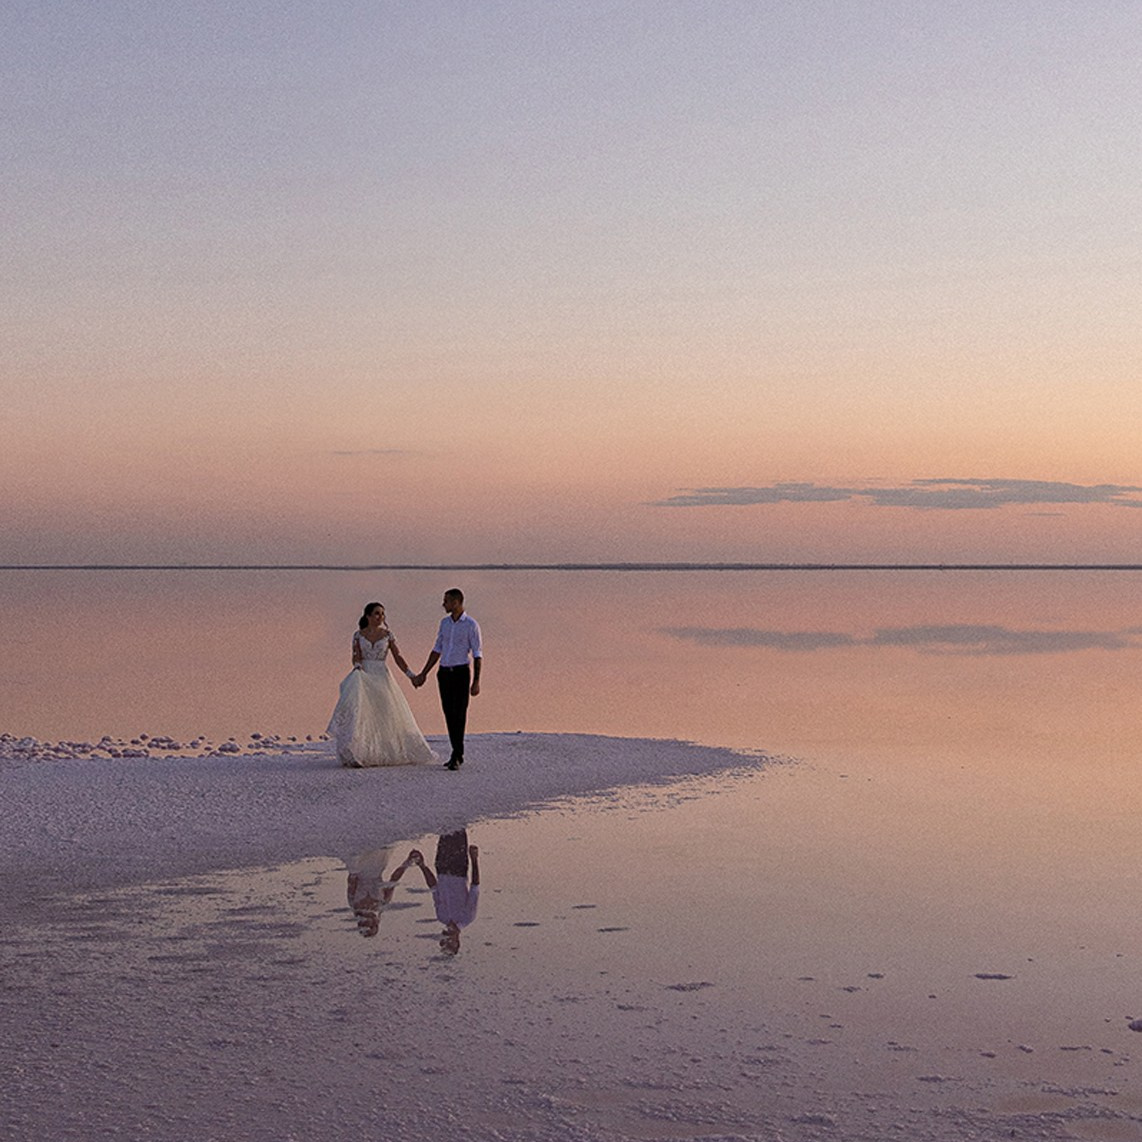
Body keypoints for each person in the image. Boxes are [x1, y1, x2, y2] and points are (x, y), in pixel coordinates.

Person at [326, 602, 436, 767]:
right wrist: (357, 667)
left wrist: (411, 675)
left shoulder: (388, 635)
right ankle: (358, 753)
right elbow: (356, 655)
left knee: (385, 714)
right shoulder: (358, 635)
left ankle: (383, 752)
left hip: (382, 677)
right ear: (368, 616)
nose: (380, 617)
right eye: (377, 613)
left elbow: (398, 657)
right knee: (362, 715)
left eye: (382, 614)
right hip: (364, 675)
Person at [413, 589, 481, 770]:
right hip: (444, 673)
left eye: (447, 601)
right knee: (449, 713)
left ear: (457, 602)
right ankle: (456, 751)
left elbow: (477, 654)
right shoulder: (444, 623)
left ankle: (457, 754)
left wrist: (476, 681)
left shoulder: (471, 625)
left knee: (459, 713)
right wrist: (424, 673)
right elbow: (437, 649)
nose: (443, 604)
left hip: (461, 673)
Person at [406, 831, 480, 955]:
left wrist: (422, 865)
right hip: (458, 869)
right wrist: (474, 859)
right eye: (450, 943)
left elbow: (434, 888)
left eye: (444, 942)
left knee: (445, 830)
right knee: (459, 829)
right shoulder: (467, 918)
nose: (447, 940)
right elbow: (475, 887)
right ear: (457, 941)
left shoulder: (441, 916)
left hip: (441, 868)